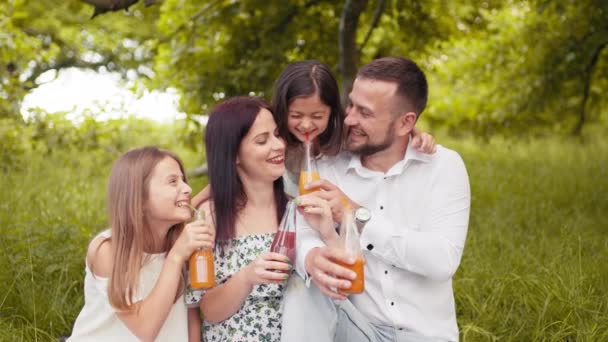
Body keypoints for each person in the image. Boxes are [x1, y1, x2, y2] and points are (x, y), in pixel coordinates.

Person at [293, 57, 471, 342]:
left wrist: (356, 215)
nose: (349, 118)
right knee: (298, 290)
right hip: (354, 330)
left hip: (426, 335)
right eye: (351, 105)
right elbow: (304, 232)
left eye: (365, 112)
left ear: (405, 123)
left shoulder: (443, 167)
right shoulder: (326, 167)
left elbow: (442, 260)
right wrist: (310, 256)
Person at [189, 97, 336, 342]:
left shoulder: (297, 210)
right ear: (234, 154)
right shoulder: (210, 218)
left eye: (277, 135)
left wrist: (330, 234)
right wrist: (246, 277)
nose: (278, 145)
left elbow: (335, 289)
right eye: (262, 140)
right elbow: (208, 311)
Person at [191, 60, 436, 203]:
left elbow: (385, 131)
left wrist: (416, 134)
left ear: (333, 112)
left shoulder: (345, 135)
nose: (306, 125)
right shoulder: (277, 141)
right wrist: (195, 203)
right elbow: (231, 174)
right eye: (296, 116)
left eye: (317, 116)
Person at [68, 146, 215, 341]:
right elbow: (145, 330)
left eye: (183, 180)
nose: (187, 188)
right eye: (173, 182)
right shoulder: (108, 250)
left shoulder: (181, 245)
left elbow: (191, 314)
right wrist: (176, 257)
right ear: (139, 198)